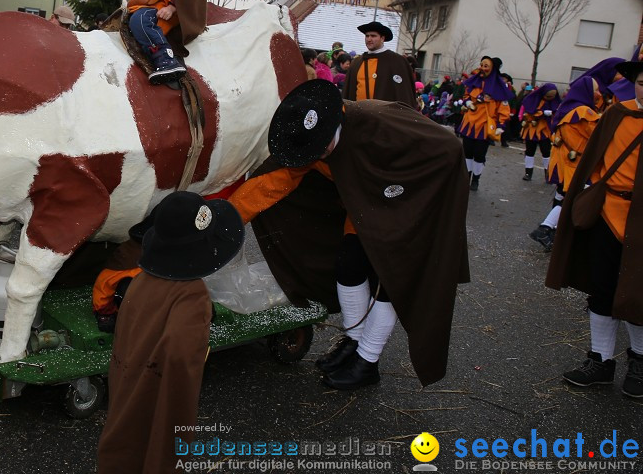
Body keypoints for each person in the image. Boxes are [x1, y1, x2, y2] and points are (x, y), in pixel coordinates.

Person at [229, 80, 470, 390]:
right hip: (367, 208)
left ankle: (368, 361)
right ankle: (353, 341)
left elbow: (449, 148)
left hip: (414, 206)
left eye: (321, 147)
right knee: (348, 264)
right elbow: (270, 183)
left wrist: (399, 193)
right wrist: (227, 223)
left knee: (389, 280)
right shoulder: (309, 142)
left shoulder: (380, 122)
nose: (317, 155)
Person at [96, 190, 244, 473]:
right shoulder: (192, 295)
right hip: (158, 386)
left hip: (129, 377)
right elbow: (180, 354)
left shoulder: (142, 281)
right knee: (157, 443)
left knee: (126, 439)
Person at [546, 58, 643, 398]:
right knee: (602, 289)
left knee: (636, 294)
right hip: (608, 213)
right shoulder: (617, 113)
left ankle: (640, 362)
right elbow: (596, 159)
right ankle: (600, 360)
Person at [528, 60, 623, 251]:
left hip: (568, 161)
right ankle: (546, 229)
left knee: (566, 196)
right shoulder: (584, 111)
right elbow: (600, 133)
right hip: (578, 163)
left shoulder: (570, 108)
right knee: (574, 198)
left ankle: (551, 231)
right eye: (595, 89)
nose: (598, 92)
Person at [457, 56, 512, 191]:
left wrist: (501, 126)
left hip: (485, 126)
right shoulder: (474, 81)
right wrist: (468, 102)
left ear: (492, 68)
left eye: (486, 66)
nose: (482, 68)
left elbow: (503, 108)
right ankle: (466, 177)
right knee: (467, 152)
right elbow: (466, 96)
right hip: (469, 123)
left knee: (479, 155)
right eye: (481, 65)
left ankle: (476, 179)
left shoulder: (499, 86)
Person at [341, 21, 417, 108]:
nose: (369, 39)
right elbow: (348, 94)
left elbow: (404, 95)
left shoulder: (397, 62)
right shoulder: (357, 62)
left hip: (385, 118)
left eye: (373, 36)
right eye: (367, 36)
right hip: (360, 117)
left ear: (382, 38)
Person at [519, 83, 560, 182]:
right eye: (548, 96)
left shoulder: (554, 101)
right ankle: (528, 172)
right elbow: (529, 111)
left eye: (551, 97)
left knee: (546, 152)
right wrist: (542, 112)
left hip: (545, 131)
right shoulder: (533, 99)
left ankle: (548, 173)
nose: (549, 99)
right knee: (530, 151)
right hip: (532, 129)